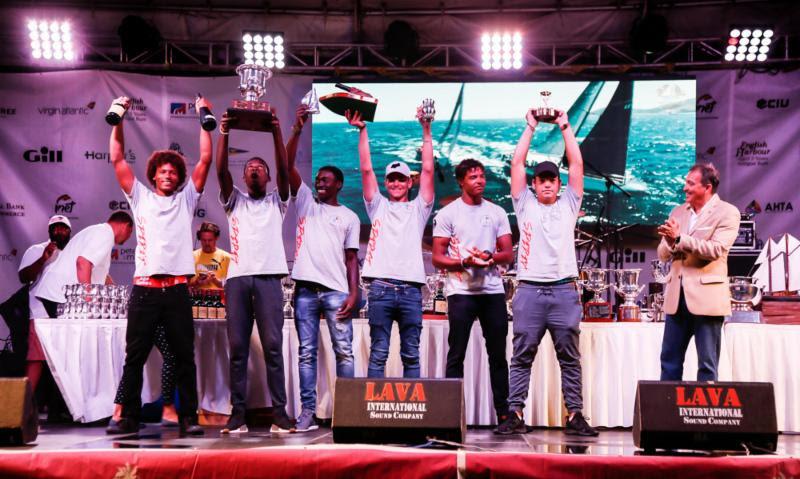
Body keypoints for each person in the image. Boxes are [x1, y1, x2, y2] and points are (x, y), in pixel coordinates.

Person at [105, 95, 213, 436]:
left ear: (179, 177)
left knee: (184, 357)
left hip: (177, 290)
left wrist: (203, 115)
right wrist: (118, 118)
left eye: (173, 171)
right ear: (153, 175)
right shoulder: (139, 196)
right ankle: (129, 419)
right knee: (134, 357)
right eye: (162, 171)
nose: (168, 175)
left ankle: (188, 418)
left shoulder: (186, 199)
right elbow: (117, 157)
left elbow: (206, 159)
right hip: (145, 290)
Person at [496, 109, 598, 437]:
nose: (547, 185)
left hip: (564, 291)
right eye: (541, 180)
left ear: (559, 183)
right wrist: (530, 126)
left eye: (552, 179)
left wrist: (565, 126)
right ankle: (514, 413)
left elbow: (578, 165)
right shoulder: (524, 204)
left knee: (569, 358)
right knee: (521, 355)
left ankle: (575, 414)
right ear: (535, 184)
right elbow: (515, 165)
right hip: (528, 291)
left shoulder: (569, 203)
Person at [216, 110, 296, 434]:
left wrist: (277, 131)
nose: (254, 171)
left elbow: (283, 167)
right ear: (243, 177)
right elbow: (220, 170)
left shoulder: (279, 201)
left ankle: (280, 414)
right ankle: (238, 415)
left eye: (259, 169)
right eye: (249, 168)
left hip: (268, 279)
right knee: (237, 347)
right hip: (237, 280)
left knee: (273, 347)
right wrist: (224, 132)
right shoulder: (234, 201)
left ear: (266, 177)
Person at [345, 104, 434, 378]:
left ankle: (413, 417)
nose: (396, 183)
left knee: (410, 353)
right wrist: (363, 131)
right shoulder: (377, 207)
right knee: (379, 352)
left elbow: (429, 171)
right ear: (386, 184)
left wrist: (426, 129)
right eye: (391, 180)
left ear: (410, 183)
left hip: (410, 291)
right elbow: (366, 170)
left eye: (401, 179)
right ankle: (374, 418)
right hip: (380, 289)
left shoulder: (420, 208)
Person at [287, 105, 360, 432]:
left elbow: (351, 260)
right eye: (317, 179)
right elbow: (285, 165)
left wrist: (354, 293)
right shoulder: (304, 201)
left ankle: (348, 412)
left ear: (338, 185)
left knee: (344, 353)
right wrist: (297, 129)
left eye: (326, 180)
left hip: (336, 292)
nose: (319, 183)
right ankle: (307, 412)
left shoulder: (349, 217)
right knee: (306, 354)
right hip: (304, 291)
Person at [431, 158, 514, 425]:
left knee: (498, 355)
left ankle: (504, 414)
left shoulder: (497, 212)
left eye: (482, 176)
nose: (479, 181)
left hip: (491, 292)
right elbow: (437, 258)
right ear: (461, 181)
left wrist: (490, 256)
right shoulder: (447, 214)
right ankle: (450, 415)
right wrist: (463, 262)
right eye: (473, 177)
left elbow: (507, 254)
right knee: (456, 355)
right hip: (461, 292)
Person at [657, 162, 739, 382]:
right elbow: (662, 254)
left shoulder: (728, 213)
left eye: (690, 183)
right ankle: (669, 414)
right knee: (669, 362)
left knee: (707, 366)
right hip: (677, 300)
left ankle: (705, 415)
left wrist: (679, 239)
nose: (685, 187)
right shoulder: (677, 212)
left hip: (707, 301)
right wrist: (669, 242)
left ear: (707, 187)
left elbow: (715, 250)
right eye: (686, 182)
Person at [17, 215, 71, 393]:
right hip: (41, 314)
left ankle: (62, 409)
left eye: (63, 228)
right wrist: (43, 259)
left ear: (70, 232)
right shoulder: (36, 249)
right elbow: (24, 277)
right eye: (55, 228)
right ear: (49, 231)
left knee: (67, 364)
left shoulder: (73, 253)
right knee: (36, 360)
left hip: (66, 316)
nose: (59, 231)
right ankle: (22, 407)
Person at [33, 212, 134, 304]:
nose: (129, 237)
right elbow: (83, 263)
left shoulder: (101, 232)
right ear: (126, 226)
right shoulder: (106, 234)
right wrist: (88, 298)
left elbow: (100, 272)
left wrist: (120, 295)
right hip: (60, 294)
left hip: (58, 292)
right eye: (130, 233)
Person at [189, 221, 230, 291]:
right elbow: (186, 284)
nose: (207, 243)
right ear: (199, 239)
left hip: (220, 299)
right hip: (197, 299)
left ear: (216, 238)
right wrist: (197, 282)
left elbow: (233, 286)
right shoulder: (191, 257)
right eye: (204, 240)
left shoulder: (227, 257)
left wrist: (217, 281)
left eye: (210, 240)